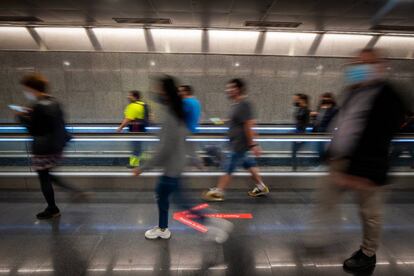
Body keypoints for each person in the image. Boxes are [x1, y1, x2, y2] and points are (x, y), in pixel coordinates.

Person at [307, 48, 405, 273]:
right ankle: (318, 239)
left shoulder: (388, 96)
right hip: (340, 160)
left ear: (379, 66)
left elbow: (381, 136)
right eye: (356, 64)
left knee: (369, 212)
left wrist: (363, 171)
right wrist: (331, 152)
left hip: (367, 167)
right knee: (325, 198)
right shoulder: (353, 92)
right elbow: (344, 125)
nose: (358, 68)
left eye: (366, 63)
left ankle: (368, 254)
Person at [133, 76, 232, 241]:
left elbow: (163, 149)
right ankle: (165, 228)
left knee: (180, 202)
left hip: (171, 167)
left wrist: (143, 168)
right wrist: (194, 159)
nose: (155, 91)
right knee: (166, 196)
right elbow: (185, 137)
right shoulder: (177, 111)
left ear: (165, 91)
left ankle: (212, 227)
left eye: (158, 88)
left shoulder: (171, 114)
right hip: (177, 164)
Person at [16, 73, 86, 219]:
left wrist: (21, 117)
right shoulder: (55, 102)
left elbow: (33, 130)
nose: (26, 92)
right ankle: (71, 191)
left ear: (31, 88)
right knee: (47, 174)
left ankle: (53, 208)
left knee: (44, 177)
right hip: (56, 147)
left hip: (42, 148)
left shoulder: (37, 106)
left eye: (27, 89)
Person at [202, 78, 269, 202]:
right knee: (249, 164)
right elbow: (234, 120)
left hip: (240, 144)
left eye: (231, 88)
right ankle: (261, 187)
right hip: (236, 142)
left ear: (238, 89)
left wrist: (254, 144)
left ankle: (219, 191)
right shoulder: (237, 105)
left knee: (229, 165)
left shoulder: (244, 104)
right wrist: (219, 121)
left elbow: (249, 124)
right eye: (228, 88)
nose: (228, 90)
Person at [117, 90, 150, 168]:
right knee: (140, 145)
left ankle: (133, 164)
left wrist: (120, 128)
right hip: (142, 127)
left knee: (135, 146)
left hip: (135, 128)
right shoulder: (143, 104)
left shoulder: (133, 106)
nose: (128, 97)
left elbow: (128, 119)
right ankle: (145, 162)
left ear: (135, 97)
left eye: (130, 95)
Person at [178, 85, 203, 168]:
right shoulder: (196, 102)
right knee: (192, 152)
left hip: (185, 131)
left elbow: (180, 115)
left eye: (180, 91)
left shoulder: (186, 102)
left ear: (186, 92)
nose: (179, 93)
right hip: (193, 130)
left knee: (185, 152)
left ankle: (200, 167)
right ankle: (200, 167)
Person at [311, 92, 338, 161]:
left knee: (327, 149)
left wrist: (327, 109)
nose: (324, 101)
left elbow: (334, 119)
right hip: (319, 131)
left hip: (328, 132)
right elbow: (318, 119)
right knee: (319, 148)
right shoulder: (320, 108)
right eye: (323, 100)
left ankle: (326, 164)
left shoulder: (334, 109)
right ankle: (321, 163)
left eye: (326, 100)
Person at [291, 93, 310, 171]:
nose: (298, 101)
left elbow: (305, 122)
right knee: (294, 150)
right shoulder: (300, 109)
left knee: (295, 150)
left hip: (301, 132)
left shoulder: (306, 110)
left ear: (304, 100)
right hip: (297, 131)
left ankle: (297, 167)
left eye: (300, 100)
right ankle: (295, 167)